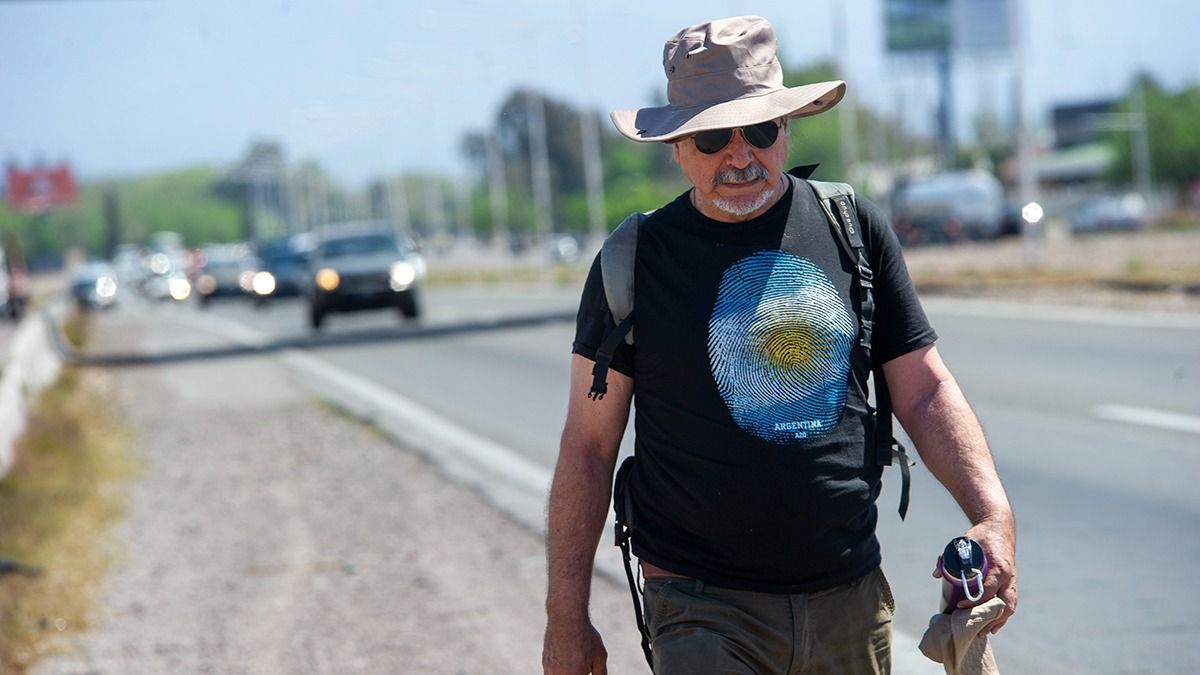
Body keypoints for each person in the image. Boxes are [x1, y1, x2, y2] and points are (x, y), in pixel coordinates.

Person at [543, 15, 1017, 675]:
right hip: (701, 606)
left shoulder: (853, 227)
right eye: (714, 137)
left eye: (760, 130)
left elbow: (925, 389)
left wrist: (991, 513)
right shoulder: (633, 261)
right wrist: (566, 619)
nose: (740, 156)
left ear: (786, 128)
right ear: (677, 146)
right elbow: (589, 448)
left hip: (849, 599)